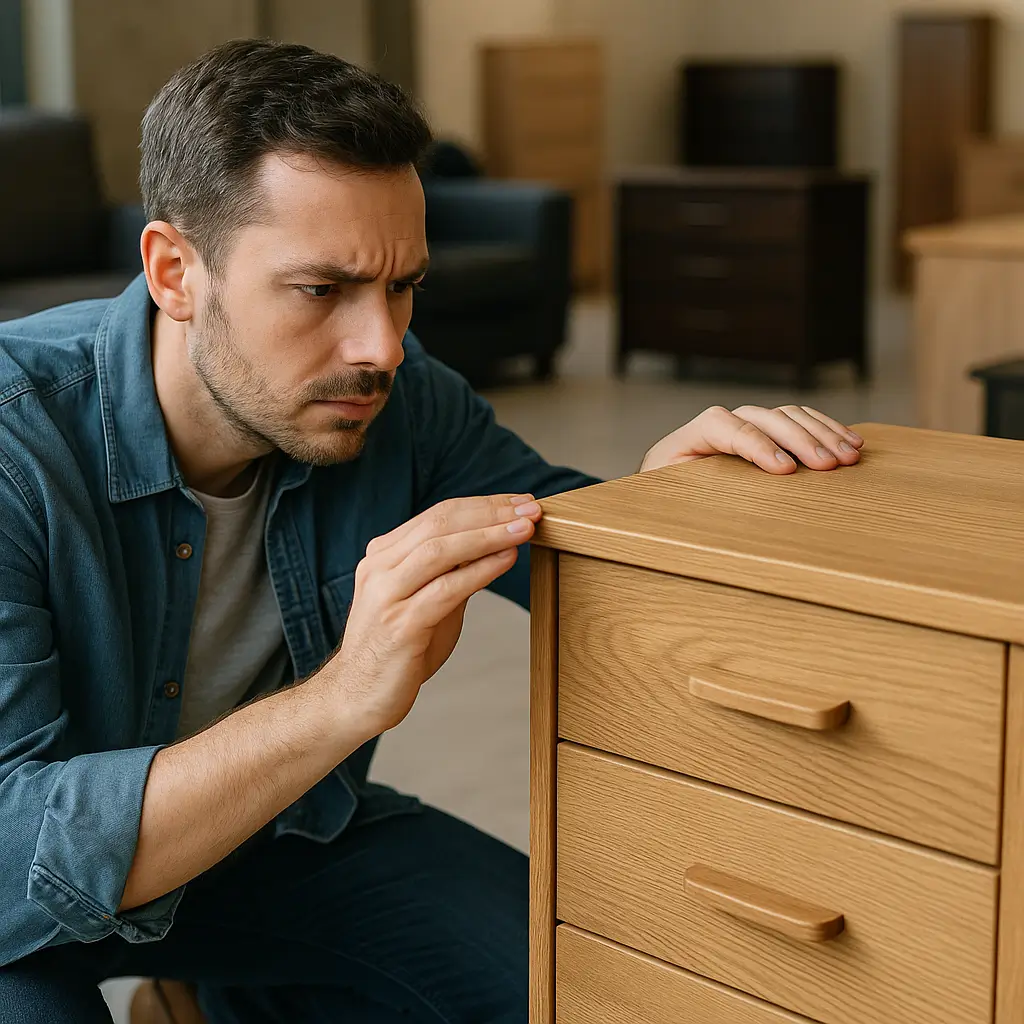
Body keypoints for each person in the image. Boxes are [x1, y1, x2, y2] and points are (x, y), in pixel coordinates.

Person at [0, 39, 864, 1024]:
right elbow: (7, 852)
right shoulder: (13, 443)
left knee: (584, 989)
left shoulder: (399, 401)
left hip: (278, 841)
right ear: (174, 272)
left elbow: (568, 550)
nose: (380, 347)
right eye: (321, 291)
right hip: (22, 893)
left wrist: (666, 507)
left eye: (402, 284)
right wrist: (340, 702)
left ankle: (206, 997)